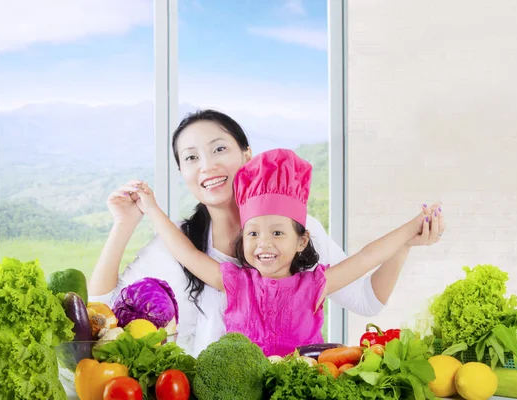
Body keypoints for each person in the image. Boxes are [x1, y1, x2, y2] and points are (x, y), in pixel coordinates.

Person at [88, 110, 445, 357]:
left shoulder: (301, 235)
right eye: (191, 158)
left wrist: (406, 241)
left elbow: (367, 291)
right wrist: (129, 222)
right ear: (183, 172)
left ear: (247, 155)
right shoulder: (183, 245)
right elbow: (102, 307)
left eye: (219, 149)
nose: (207, 165)